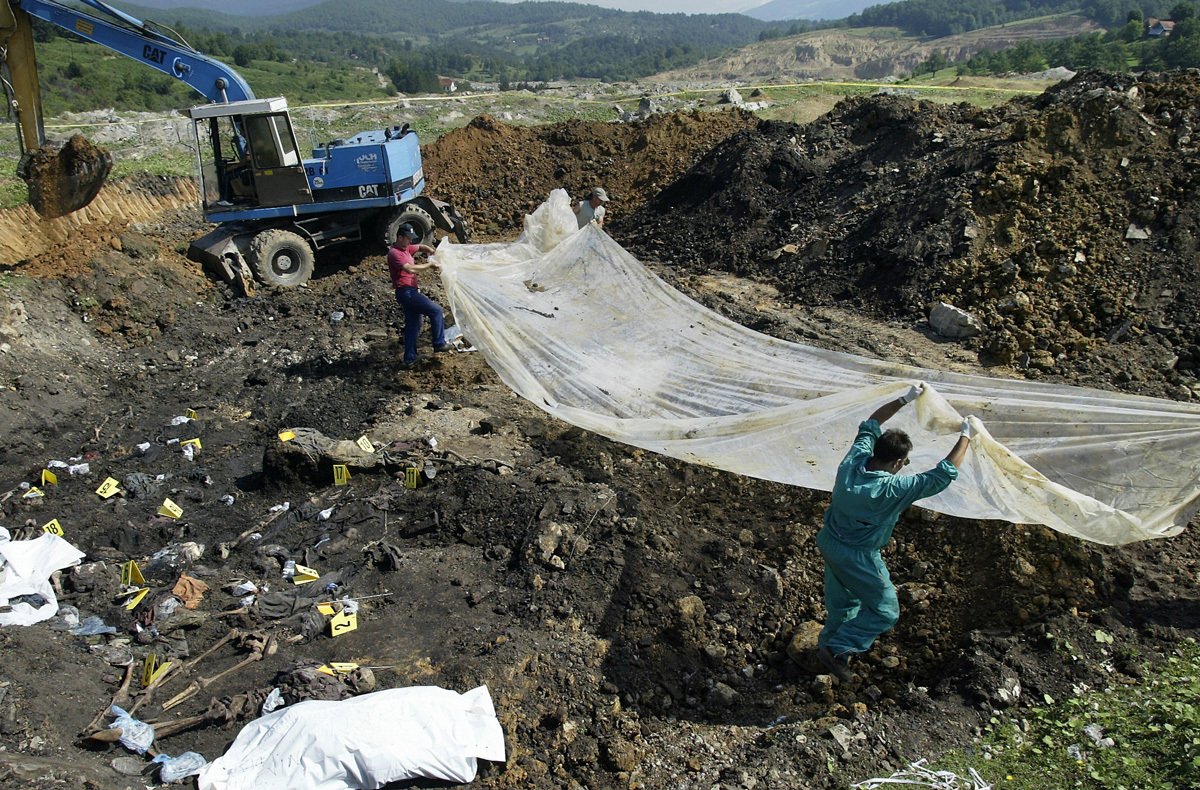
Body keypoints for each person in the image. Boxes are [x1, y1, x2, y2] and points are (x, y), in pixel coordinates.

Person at [815, 383, 972, 682]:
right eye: (905, 463)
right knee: (886, 610)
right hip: (858, 555)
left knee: (844, 603)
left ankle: (827, 649)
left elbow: (872, 423)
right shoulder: (892, 488)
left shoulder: (852, 462)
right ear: (898, 463)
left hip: (830, 542)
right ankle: (836, 649)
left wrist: (904, 399)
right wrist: (966, 435)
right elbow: (943, 474)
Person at [386, 224, 452, 368]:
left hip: (410, 292)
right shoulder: (395, 253)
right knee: (436, 310)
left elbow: (420, 247)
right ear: (399, 237)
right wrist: (429, 266)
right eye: (408, 238)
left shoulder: (406, 248)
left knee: (413, 326)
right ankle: (439, 343)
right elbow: (410, 269)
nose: (410, 241)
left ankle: (409, 359)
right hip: (406, 292)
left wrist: (430, 251)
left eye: (411, 239)